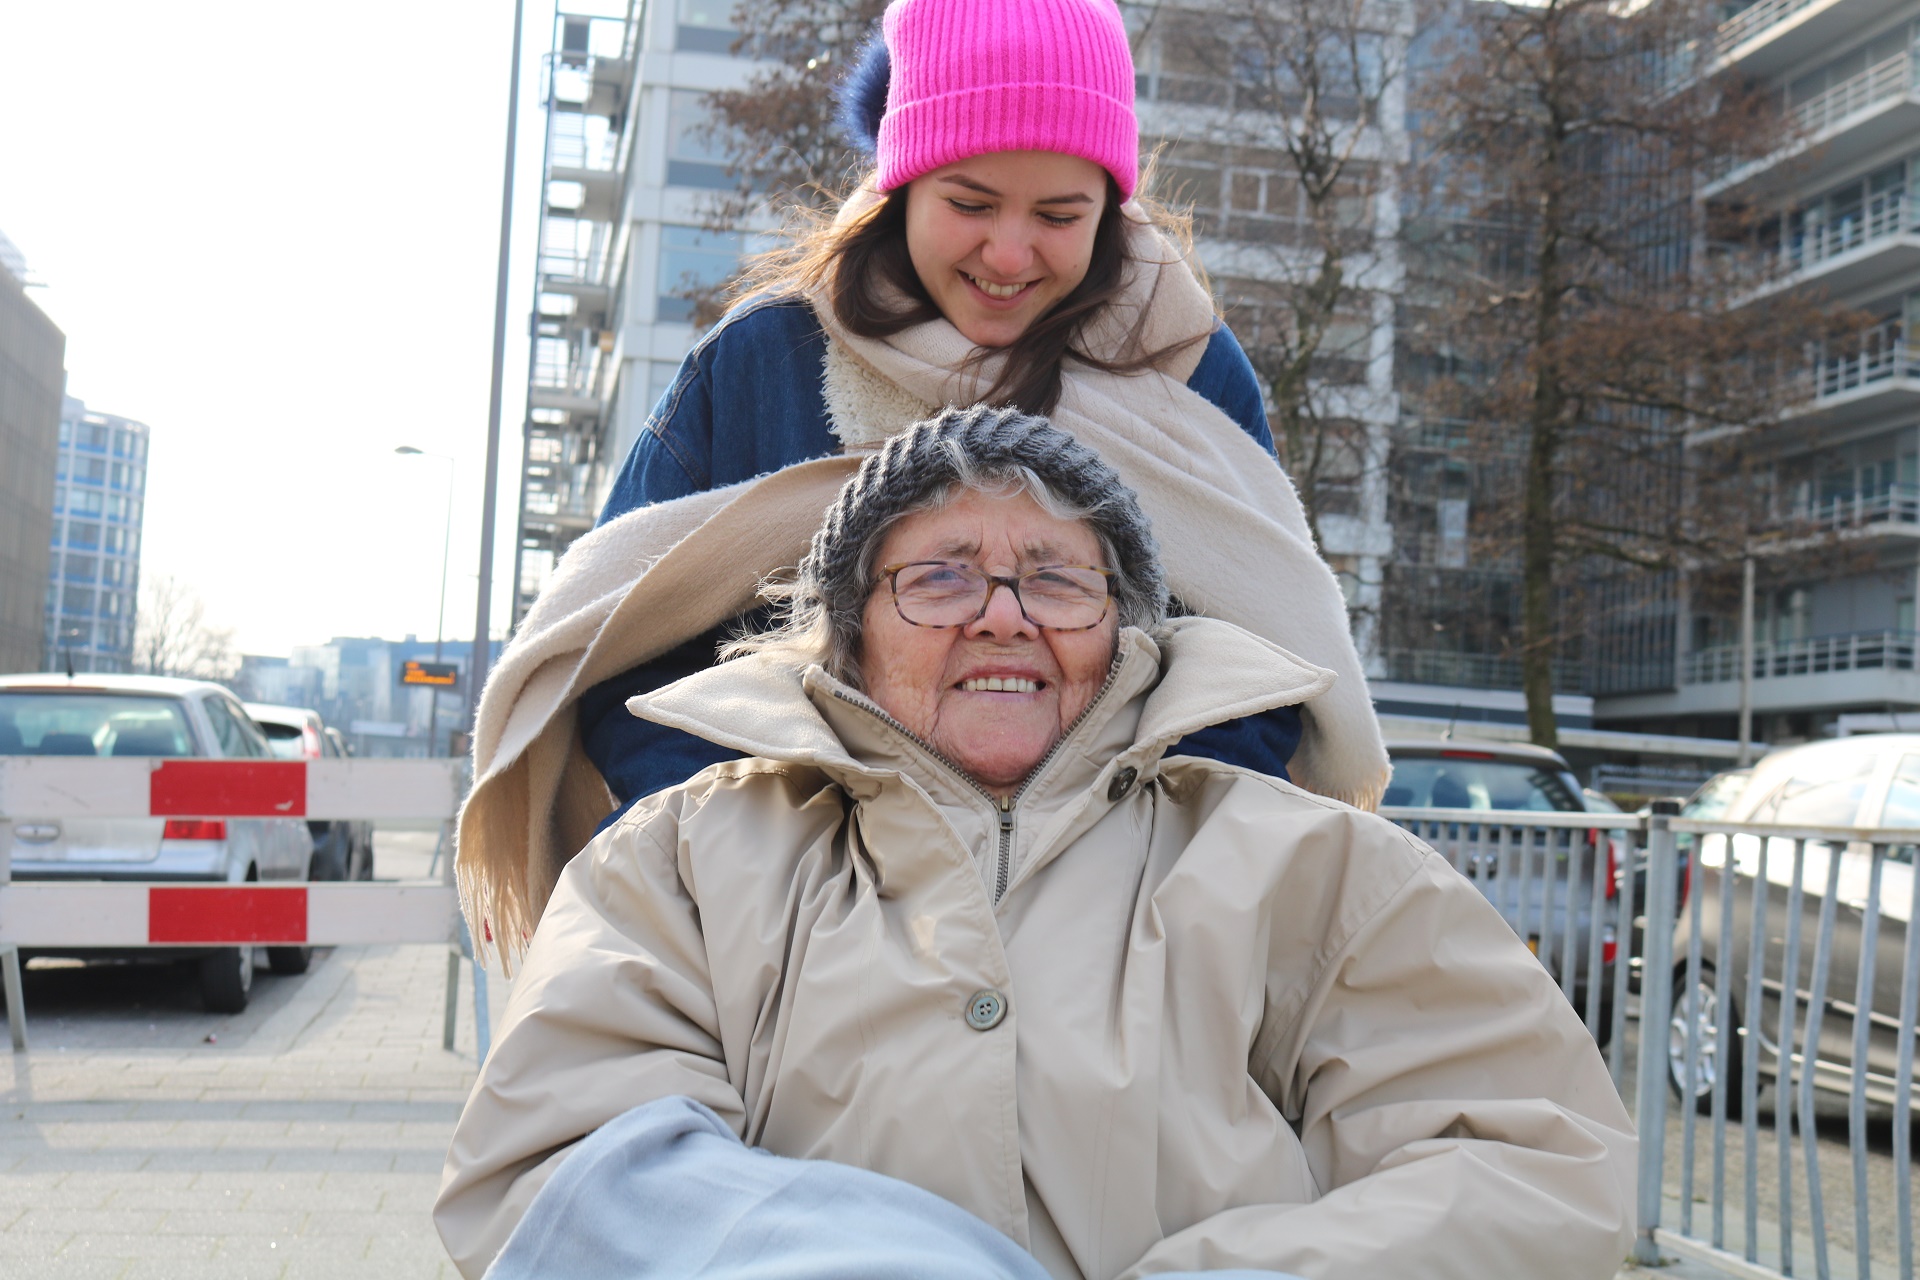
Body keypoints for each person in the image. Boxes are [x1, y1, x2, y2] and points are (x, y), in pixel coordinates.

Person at [437, 408, 1637, 1280]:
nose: (1003, 610)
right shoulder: (683, 860)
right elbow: (561, 1166)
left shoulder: (1308, 865)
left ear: (1126, 632)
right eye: (943, 575)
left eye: (1059, 577)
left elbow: (1529, 1161)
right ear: (850, 633)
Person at [455, 0, 1389, 961]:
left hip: (1111, 947)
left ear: (1110, 207)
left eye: (1061, 214)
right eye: (971, 204)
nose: (1010, 254)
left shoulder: (1190, 375)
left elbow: (1265, 665)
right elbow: (627, 650)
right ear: (900, 186)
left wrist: (1119, 868)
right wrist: (766, 860)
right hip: (790, 934)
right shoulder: (764, 363)